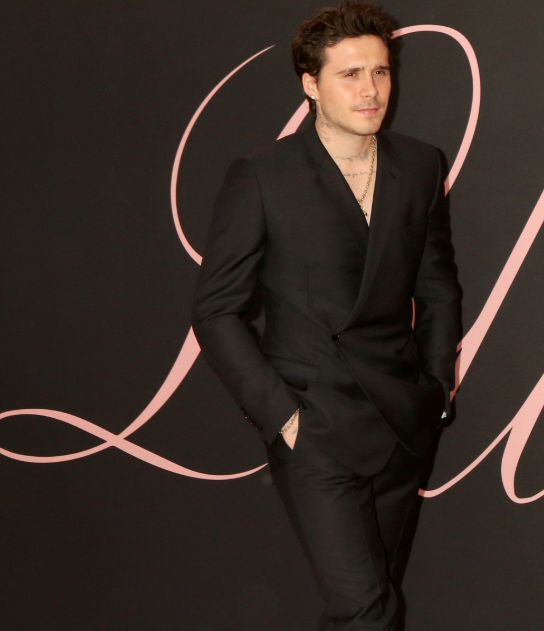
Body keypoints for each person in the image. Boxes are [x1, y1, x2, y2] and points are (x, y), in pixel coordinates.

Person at [191, 2, 462, 628]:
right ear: (310, 84)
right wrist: (283, 418)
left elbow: (439, 287)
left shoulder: (420, 164)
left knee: (367, 608)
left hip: (401, 424)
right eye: (350, 74)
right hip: (316, 428)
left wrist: (435, 388)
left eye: (381, 72)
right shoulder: (263, 176)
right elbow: (216, 310)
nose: (371, 91)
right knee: (364, 609)